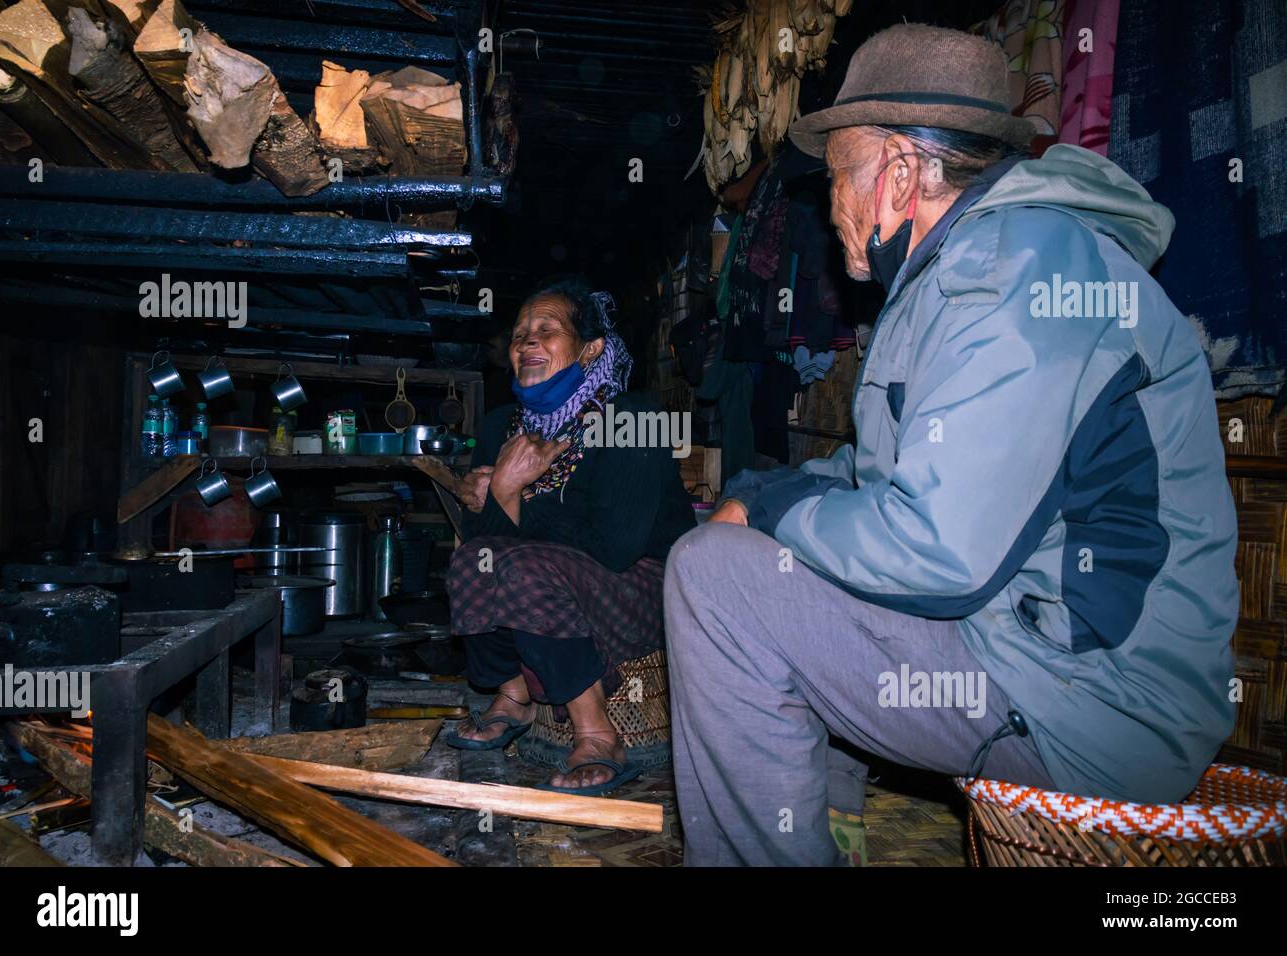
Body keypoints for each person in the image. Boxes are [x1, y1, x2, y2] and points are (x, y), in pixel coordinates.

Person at [664, 23, 1238, 865]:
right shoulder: (972, 270)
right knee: (787, 558)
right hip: (1044, 657)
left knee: (714, 579)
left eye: (837, 176)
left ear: (899, 174)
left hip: (1099, 705)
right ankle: (834, 834)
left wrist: (771, 519)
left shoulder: (1016, 273)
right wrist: (770, 495)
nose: (830, 207)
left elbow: (938, 553)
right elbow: (877, 474)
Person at [446, 275, 695, 795]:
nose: (527, 342)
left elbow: (617, 545)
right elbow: (480, 534)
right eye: (519, 335)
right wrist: (499, 499)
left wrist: (512, 493)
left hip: (644, 583)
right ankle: (513, 693)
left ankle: (599, 734)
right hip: (554, 579)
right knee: (475, 561)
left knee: (522, 564)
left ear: (590, 349)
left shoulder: (632, 418)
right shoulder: (500, 427)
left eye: (547, 330)